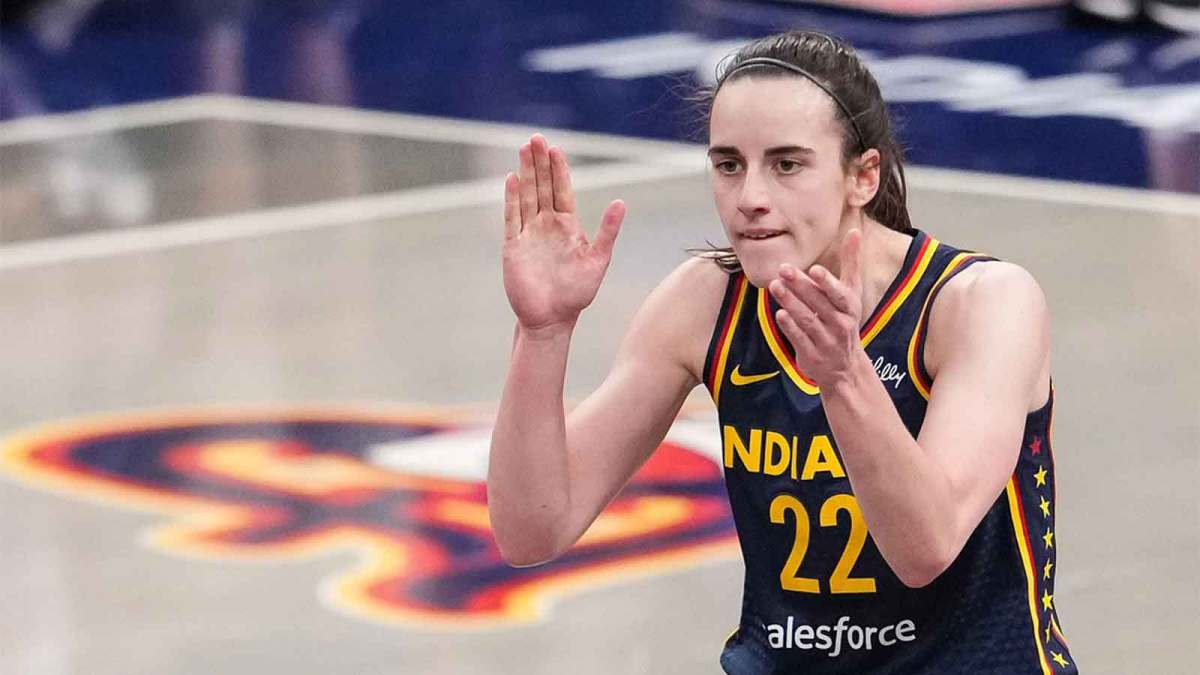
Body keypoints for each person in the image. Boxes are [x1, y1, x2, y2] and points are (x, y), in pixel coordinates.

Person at [488, 30, 1076, 674]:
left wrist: (845, 377)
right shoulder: (706, 301)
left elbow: (925, 546)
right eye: (728, 164)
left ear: (863, 175)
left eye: (787, 164)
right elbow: (531, 529)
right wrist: (544, 334)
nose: (750, 198)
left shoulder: (981, 303)